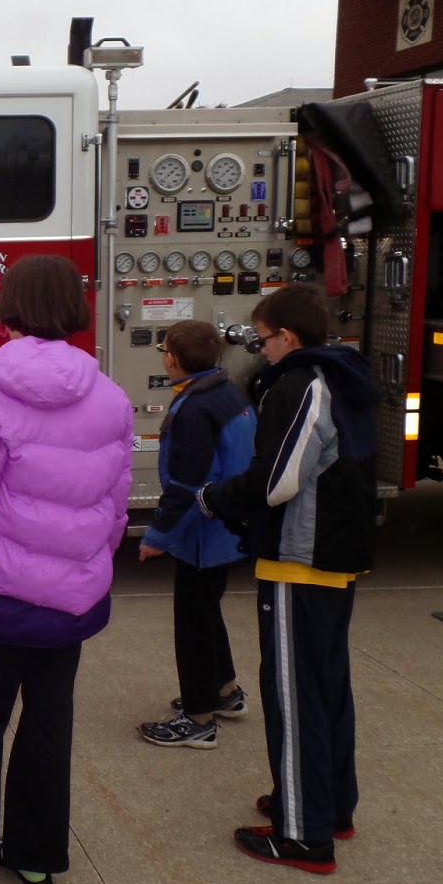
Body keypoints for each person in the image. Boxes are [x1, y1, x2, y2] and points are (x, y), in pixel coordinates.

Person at [0, 254, 133, 884]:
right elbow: (115, 504)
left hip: (0, 596)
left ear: (11, 307)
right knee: (50, 723)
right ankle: (36, 855)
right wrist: (91, 573)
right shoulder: (111, 398)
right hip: (70, 602)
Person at [196, 284, 377, 874]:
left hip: (300, 559)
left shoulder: (299, 384)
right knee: (327, 687)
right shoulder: (344, 377)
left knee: (293, 696)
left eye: (263, 338)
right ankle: (329, 804)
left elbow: (276, 481)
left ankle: (301, 833)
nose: (260, 348)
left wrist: (214, 499)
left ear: (288, 337)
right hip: (336, 557)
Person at [136, 319, 256, 749]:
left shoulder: (193, 410)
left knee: (193, 624)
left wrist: (156, 535)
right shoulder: (227, 392)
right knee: (208, 613)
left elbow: (186, 486)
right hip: (227, 527)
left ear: (172, 359)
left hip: (203, 533)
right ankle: (224, 692)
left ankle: (198, 718)